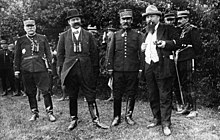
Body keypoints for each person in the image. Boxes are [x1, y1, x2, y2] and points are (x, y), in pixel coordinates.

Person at [56, 8, 109, 130]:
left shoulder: (88, 35)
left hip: (86, 69)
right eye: (73, 20)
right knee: (72, 95)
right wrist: (60, 71)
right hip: (70, 70)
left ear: (80, 20)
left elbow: (94, 53)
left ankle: (96, 120)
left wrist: (95, 69)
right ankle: (73, 119)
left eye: (77, 19)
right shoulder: (63, 36)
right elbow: (60, 55)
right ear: (69, 22)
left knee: (90, 95)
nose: (76, 21)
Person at [141, 5, 179, 136]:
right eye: (147, 17)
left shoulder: (167, 28)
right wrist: (142, 48)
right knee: (152, 95)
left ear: (158, 17)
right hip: (149, 66)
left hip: (162, 66)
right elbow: (144, 49)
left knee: (165, 95)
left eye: (151, 16)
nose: (149, 19)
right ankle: (157, 118)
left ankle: (166, 124)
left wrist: (165, 44)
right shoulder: (146, 31)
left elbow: (177, 43)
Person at [14, 18, 56, 122]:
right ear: (24, 28)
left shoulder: (42, 38)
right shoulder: (21, 40)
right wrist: (17, 69)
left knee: (46, 91)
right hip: (26, 69)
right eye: (28, 27)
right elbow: (17, 56)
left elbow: (48, 53)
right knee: (30, 92)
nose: (30, 28)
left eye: (32, 26)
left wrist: (50, 66)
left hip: (41, 68)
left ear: (35, 27)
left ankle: (50, 112)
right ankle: (34, 112)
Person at [107, 9, 143, 126]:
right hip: (118, 70)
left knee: (131, 93)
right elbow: (110, 53)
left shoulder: (138, 35)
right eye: (123, 19)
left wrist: (141, 68)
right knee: (117, 94)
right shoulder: (116, 35)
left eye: (128, 19)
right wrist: (110, 68)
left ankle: (128, 115)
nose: (126, 21)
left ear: (132, 20)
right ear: (120, 21)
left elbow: (141, 53)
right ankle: (116, 116)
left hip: (132, 70)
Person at [174, 10, 202, 118]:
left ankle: (194, 109)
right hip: (181, 59)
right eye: (178, 19)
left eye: (181, 18)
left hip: (189, 58)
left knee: (190, 83)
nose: (179, 20)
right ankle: (187, 106)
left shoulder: (192, 29)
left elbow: (198, 46)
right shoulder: (181, 31)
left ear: (187, 19)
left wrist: (194, 58)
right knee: (183, 83)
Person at [164, 12, 184, 112]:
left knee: (176, 81)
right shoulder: (161, 30)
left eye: (172, 20)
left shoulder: (178, 30)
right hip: (163, 59)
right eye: (168, 20)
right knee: (165, 82)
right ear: (164, 20)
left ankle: (179, 103)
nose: (171, 22)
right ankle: (169, 103)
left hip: (175, 58)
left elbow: (179, 43)